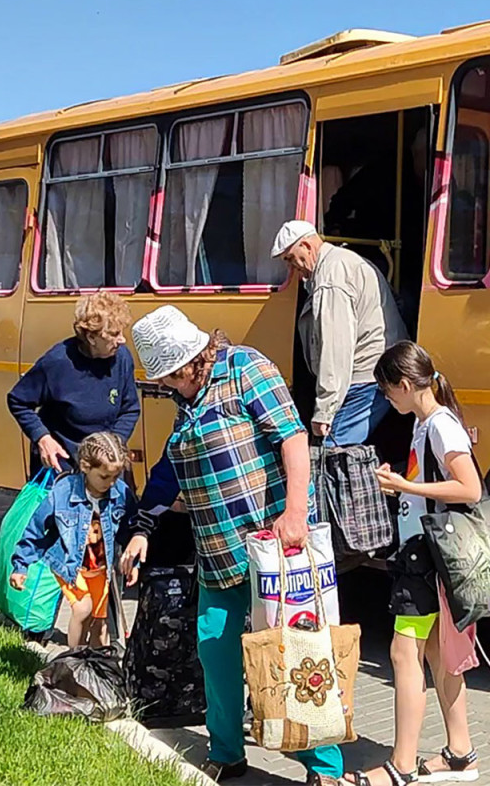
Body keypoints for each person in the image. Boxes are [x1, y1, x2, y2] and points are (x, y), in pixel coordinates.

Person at [119, 305, 343, 786]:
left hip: (275, 544)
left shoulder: (246, 368)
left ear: (191, 360)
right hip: (218, 555)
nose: (169, 387)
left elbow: (293, 438)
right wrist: (142, 530)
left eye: (171, 377)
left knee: (295, 652)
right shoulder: (188, 404)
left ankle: (322, 767)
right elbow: (165, 475)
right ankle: (227, 751)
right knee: (215, 649)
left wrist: (296, 512)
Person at [347, 341, 482, 786]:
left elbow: (470, 490)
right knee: (440, 655)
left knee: (404, 654)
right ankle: (460, 754)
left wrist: (408, 486)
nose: (387, 401)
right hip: (425, 554)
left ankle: (400, 765)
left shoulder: (441, 426)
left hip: (425, 557)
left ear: (405, 385)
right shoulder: (431, 423)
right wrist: (403, 486)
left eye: (388, 393)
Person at [271, 219, 408, 447]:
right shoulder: (345, 261)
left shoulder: (330, 278)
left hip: (363, 378)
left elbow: (335, 349)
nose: (291, 267)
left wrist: (324, 410)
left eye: (290, 258)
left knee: (332, 455)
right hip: (377, 371)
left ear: (306, 245)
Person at [10, 432, 134, 650]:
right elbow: (36, 529)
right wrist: (21, 566)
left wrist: (132, 561)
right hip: (70, 565)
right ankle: (74, 659)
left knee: (100, 624)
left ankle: (98, 669)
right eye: (104, 477)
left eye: (115, 477)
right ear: (86, 467)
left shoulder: (121, 493)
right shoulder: (63, 492)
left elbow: (129, 530)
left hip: (101, 568)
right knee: (83, 609)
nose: (110, 483)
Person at [8, 293, 140, 476]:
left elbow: (130, 408)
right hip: (62, 464)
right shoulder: (57, 362)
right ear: (91, 338)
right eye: (114, 334)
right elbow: (18, 400)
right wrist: (42, 437)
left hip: (106, 465)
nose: (122, 340)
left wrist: (113, 444)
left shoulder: (122, 358)